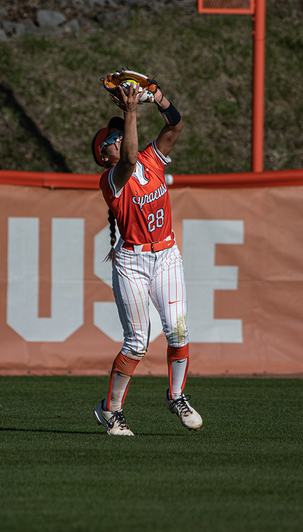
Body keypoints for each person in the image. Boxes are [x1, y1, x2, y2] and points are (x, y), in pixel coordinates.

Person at [91, 80, 202, 436]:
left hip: (166, 255)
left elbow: (176, 125)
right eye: (113, 138)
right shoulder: (111, 179)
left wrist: (157, 97)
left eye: (121, 133)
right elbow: (127, 159)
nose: (120, 138)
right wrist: (130, 111)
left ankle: (176, 396)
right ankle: (111, 410)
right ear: (103, 156)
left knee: (179, 330)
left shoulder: (152, 158)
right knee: (137, 342)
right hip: (133, 263)